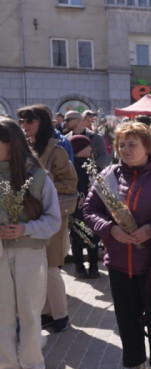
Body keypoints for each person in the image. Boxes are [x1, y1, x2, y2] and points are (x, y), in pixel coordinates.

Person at [83, 122, 151, 369]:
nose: (125, 149)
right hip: (119, 261)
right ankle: (135, 364)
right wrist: (111, 230)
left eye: (132, 144)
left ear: (147, 146)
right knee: (126, 317)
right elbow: (90, 210)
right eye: (121, 145)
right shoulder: (109, 176)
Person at [0, 119, 61, 369]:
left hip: (29, 253)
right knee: (2, 316)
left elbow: (53, 220)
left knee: (30, 314)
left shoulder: (37, 177)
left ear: (10, 144)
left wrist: (25, 229)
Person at [17, 105, 78, 333]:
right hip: (30, 216)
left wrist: (43, 184)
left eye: (29, 121)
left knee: (52, 266)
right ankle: (46, 313)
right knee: (38, 267)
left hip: (53, 214)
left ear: (41, 122)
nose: (24, 126)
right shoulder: (24, 147)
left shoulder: (57, 149)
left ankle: (61, 315)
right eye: (22, 122)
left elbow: (70, 183)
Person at [68, 135, 101, 279]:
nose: (90, 148)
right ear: (79, 149)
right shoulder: (70, 165)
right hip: (77, 210)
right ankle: (79, 267)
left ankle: (93, 267)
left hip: (92, 209)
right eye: (87, 146)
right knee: (77, 237)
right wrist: (77, 196)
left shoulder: (92, 164)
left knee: (93, 236)